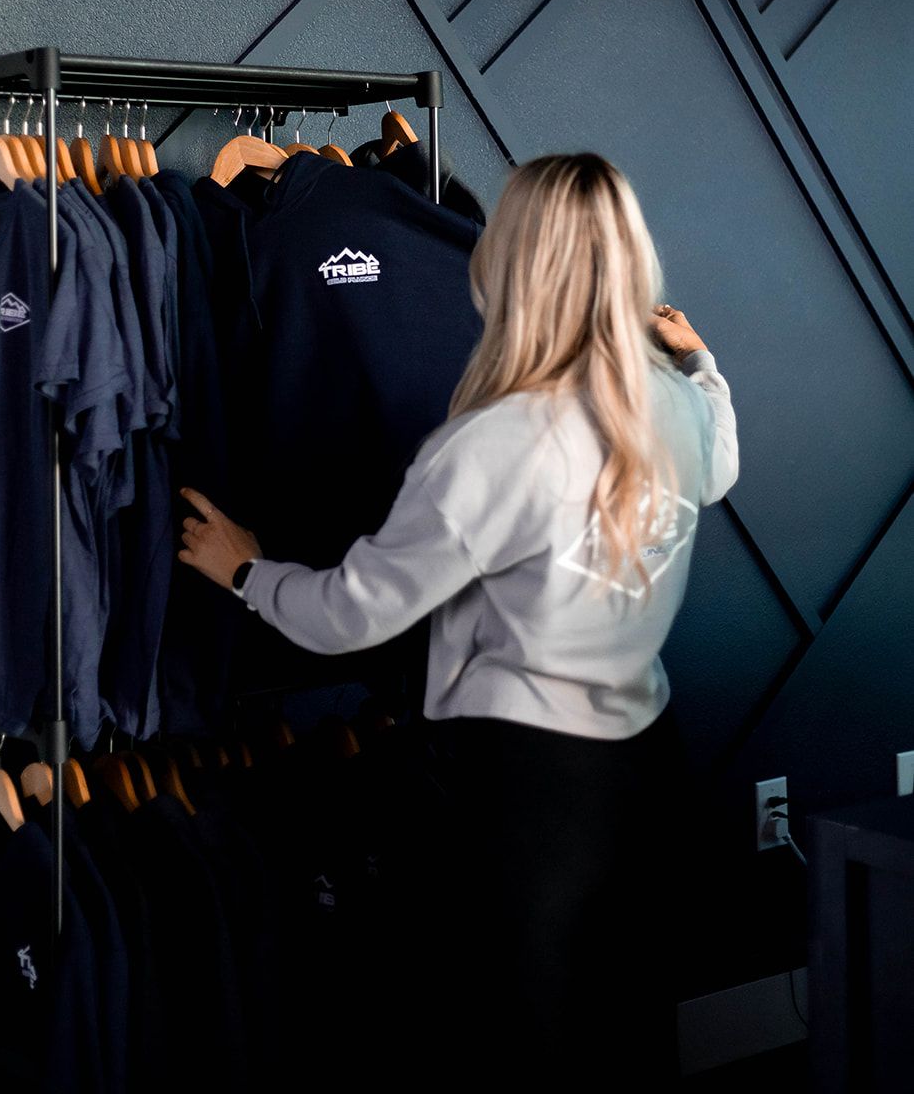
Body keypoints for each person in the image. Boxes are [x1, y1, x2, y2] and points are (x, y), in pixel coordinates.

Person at [177, 152, 739, 1084]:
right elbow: (719, 465)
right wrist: (698, 359)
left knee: (517, 1042)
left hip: (524, 789)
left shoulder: (496, 444)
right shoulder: (672, 405)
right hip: (645, 764)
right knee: (625, 1025)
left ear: (509, 266)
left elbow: (354, 612)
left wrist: (246, 571)